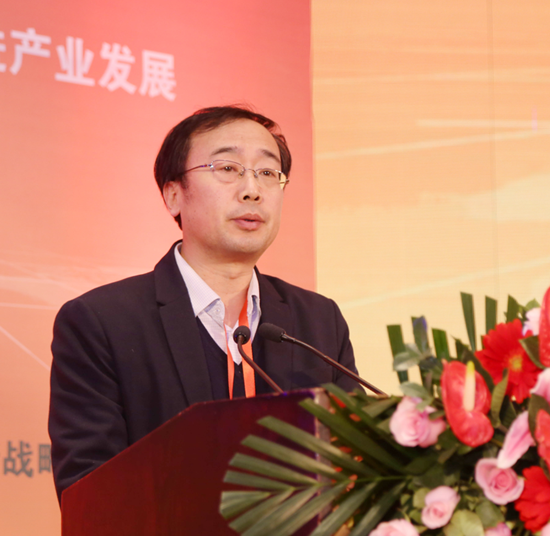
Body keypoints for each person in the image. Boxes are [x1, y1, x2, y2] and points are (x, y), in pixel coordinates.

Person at [48, 105, 359, 502]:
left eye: (268, 172)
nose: (252, 189)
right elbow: (89, 494)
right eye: (227, 168)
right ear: (173, 195)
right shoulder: (102, 322)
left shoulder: (318, 321)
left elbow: (355, 465)